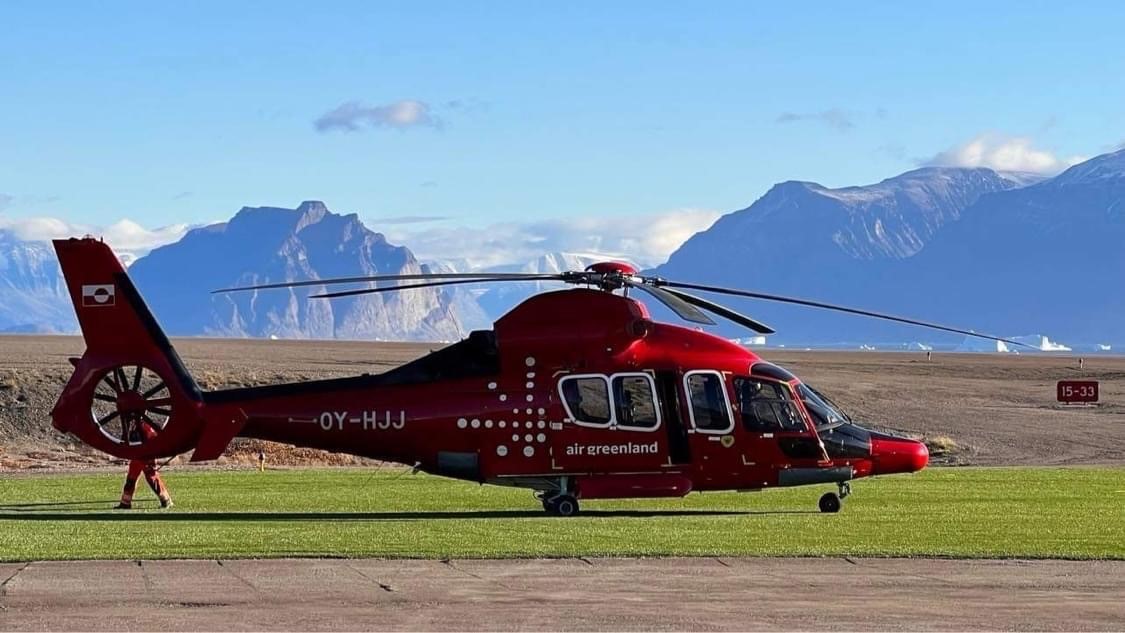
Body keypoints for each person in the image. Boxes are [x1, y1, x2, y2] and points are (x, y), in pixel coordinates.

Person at [114, 418, 173, 509]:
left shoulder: (142, 427)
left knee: (148, 477)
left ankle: (166, 500)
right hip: (139, 454)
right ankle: (125, 503)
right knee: (134, 478)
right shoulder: (144, 426)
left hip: (143, 454)